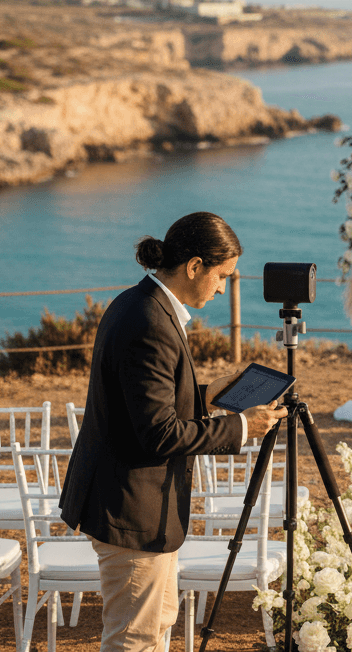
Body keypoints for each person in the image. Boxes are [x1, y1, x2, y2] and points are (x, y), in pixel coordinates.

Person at [60, 212, 288, 652]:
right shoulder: (150, 322)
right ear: (195, 266)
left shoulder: (137, 303)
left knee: (155, 628)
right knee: (134, 639)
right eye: (223, 276)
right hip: (132, 511)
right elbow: (159, 434)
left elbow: (141, 406)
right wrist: (243, 426)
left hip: (138, 508)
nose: (222, 289)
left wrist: (205, 396)